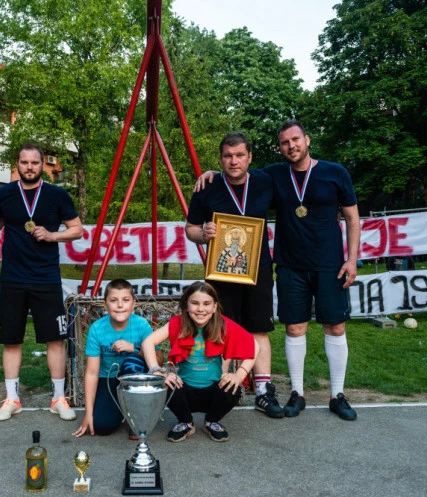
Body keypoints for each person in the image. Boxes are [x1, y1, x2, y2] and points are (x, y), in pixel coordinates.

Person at [196, 120, 361, 421]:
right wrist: (212, 174)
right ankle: (297, 393)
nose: (291, 146)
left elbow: (352, 217)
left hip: (330, 263)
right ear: (280, 148)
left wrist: (352, 260)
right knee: (294, 328)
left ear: (307, 140)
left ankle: (337, 394)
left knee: (336, 326)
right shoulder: (274, 175)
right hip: (289, 264)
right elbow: (236, 173)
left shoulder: (336, 172)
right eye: (285, 142)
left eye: (295, 139)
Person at [185, 132, 283, 419]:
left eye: (240, 155)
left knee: (259, 329)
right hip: (220, 271)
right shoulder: (208, 186)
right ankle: (220, 386)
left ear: (250, 157)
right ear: (220, 159)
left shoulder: (266, 181)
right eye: (228, 156)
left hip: (258, 269)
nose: (234, 161)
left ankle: (263, 391)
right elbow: (190, 228)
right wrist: (203, 234)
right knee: (220, 328)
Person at [0, 142, 83, 422]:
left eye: (34, 162)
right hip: (13, 277)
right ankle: (12, 399)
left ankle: (58, 398)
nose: (29, 167)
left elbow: (77, 229)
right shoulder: (4, 194)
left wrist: (53, 235)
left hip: (46, 277)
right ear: (16, 164)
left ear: (43, 164)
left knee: (55, 338)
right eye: (24, 162)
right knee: (11, 339)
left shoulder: (57, 195)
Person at [141, 282, 258, 443]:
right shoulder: (177, 323)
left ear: (215, 306)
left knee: (233, 388)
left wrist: (239, 374)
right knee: (165, 383)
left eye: (206, 304)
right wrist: (157, 371)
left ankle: (211, 421)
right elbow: (148, 342)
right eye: (195, 303)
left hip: (213, 389)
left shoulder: (223, 324)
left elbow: (254, 346)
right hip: (185, 389)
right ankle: (186, 423)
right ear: (186, 305)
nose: (200, 309)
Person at [72, 279, 163, 438]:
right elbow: (92, 373)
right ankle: (120, 410)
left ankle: (136, 416)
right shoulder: (97, 328)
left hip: (134, 380)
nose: (120, 305)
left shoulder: (141, 325)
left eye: (125, 300)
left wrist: (134, 349)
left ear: (133, 303)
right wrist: (88, 413)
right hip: (108, 379)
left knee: (132, 362)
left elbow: (159, 360)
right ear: (105, 304)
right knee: (101, 426)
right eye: (113, 300)